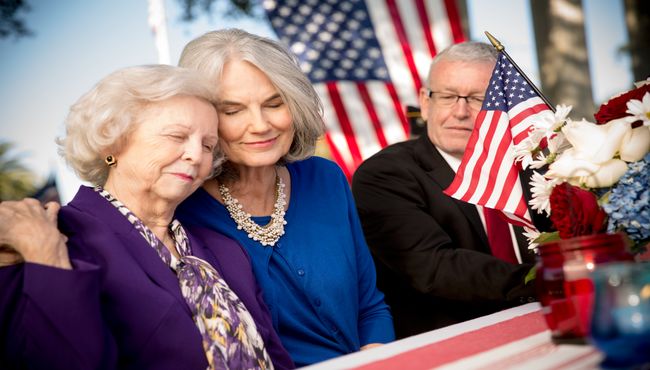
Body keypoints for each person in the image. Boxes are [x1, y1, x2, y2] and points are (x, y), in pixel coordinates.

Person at [0, 65, 293, 370]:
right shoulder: (46, 239)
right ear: (111, 142)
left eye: (208, 145)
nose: (196, 155)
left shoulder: (226, 251)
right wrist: (44, 253)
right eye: (177, 136)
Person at [175, 29, 395, 367]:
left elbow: (370, 304)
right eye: (233, 111)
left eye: (274, 103)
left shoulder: (326, 179)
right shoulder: (182, 213)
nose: (261, 124)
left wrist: (375, 354)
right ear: (202, 120)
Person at [351, 42, 537, 339]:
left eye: (478, 98)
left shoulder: (534, 166)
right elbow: (434, 268)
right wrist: (547, 279)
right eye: (448, 96)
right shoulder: (384, 175)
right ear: (425, 103)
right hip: (452, 343)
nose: (460, 112)